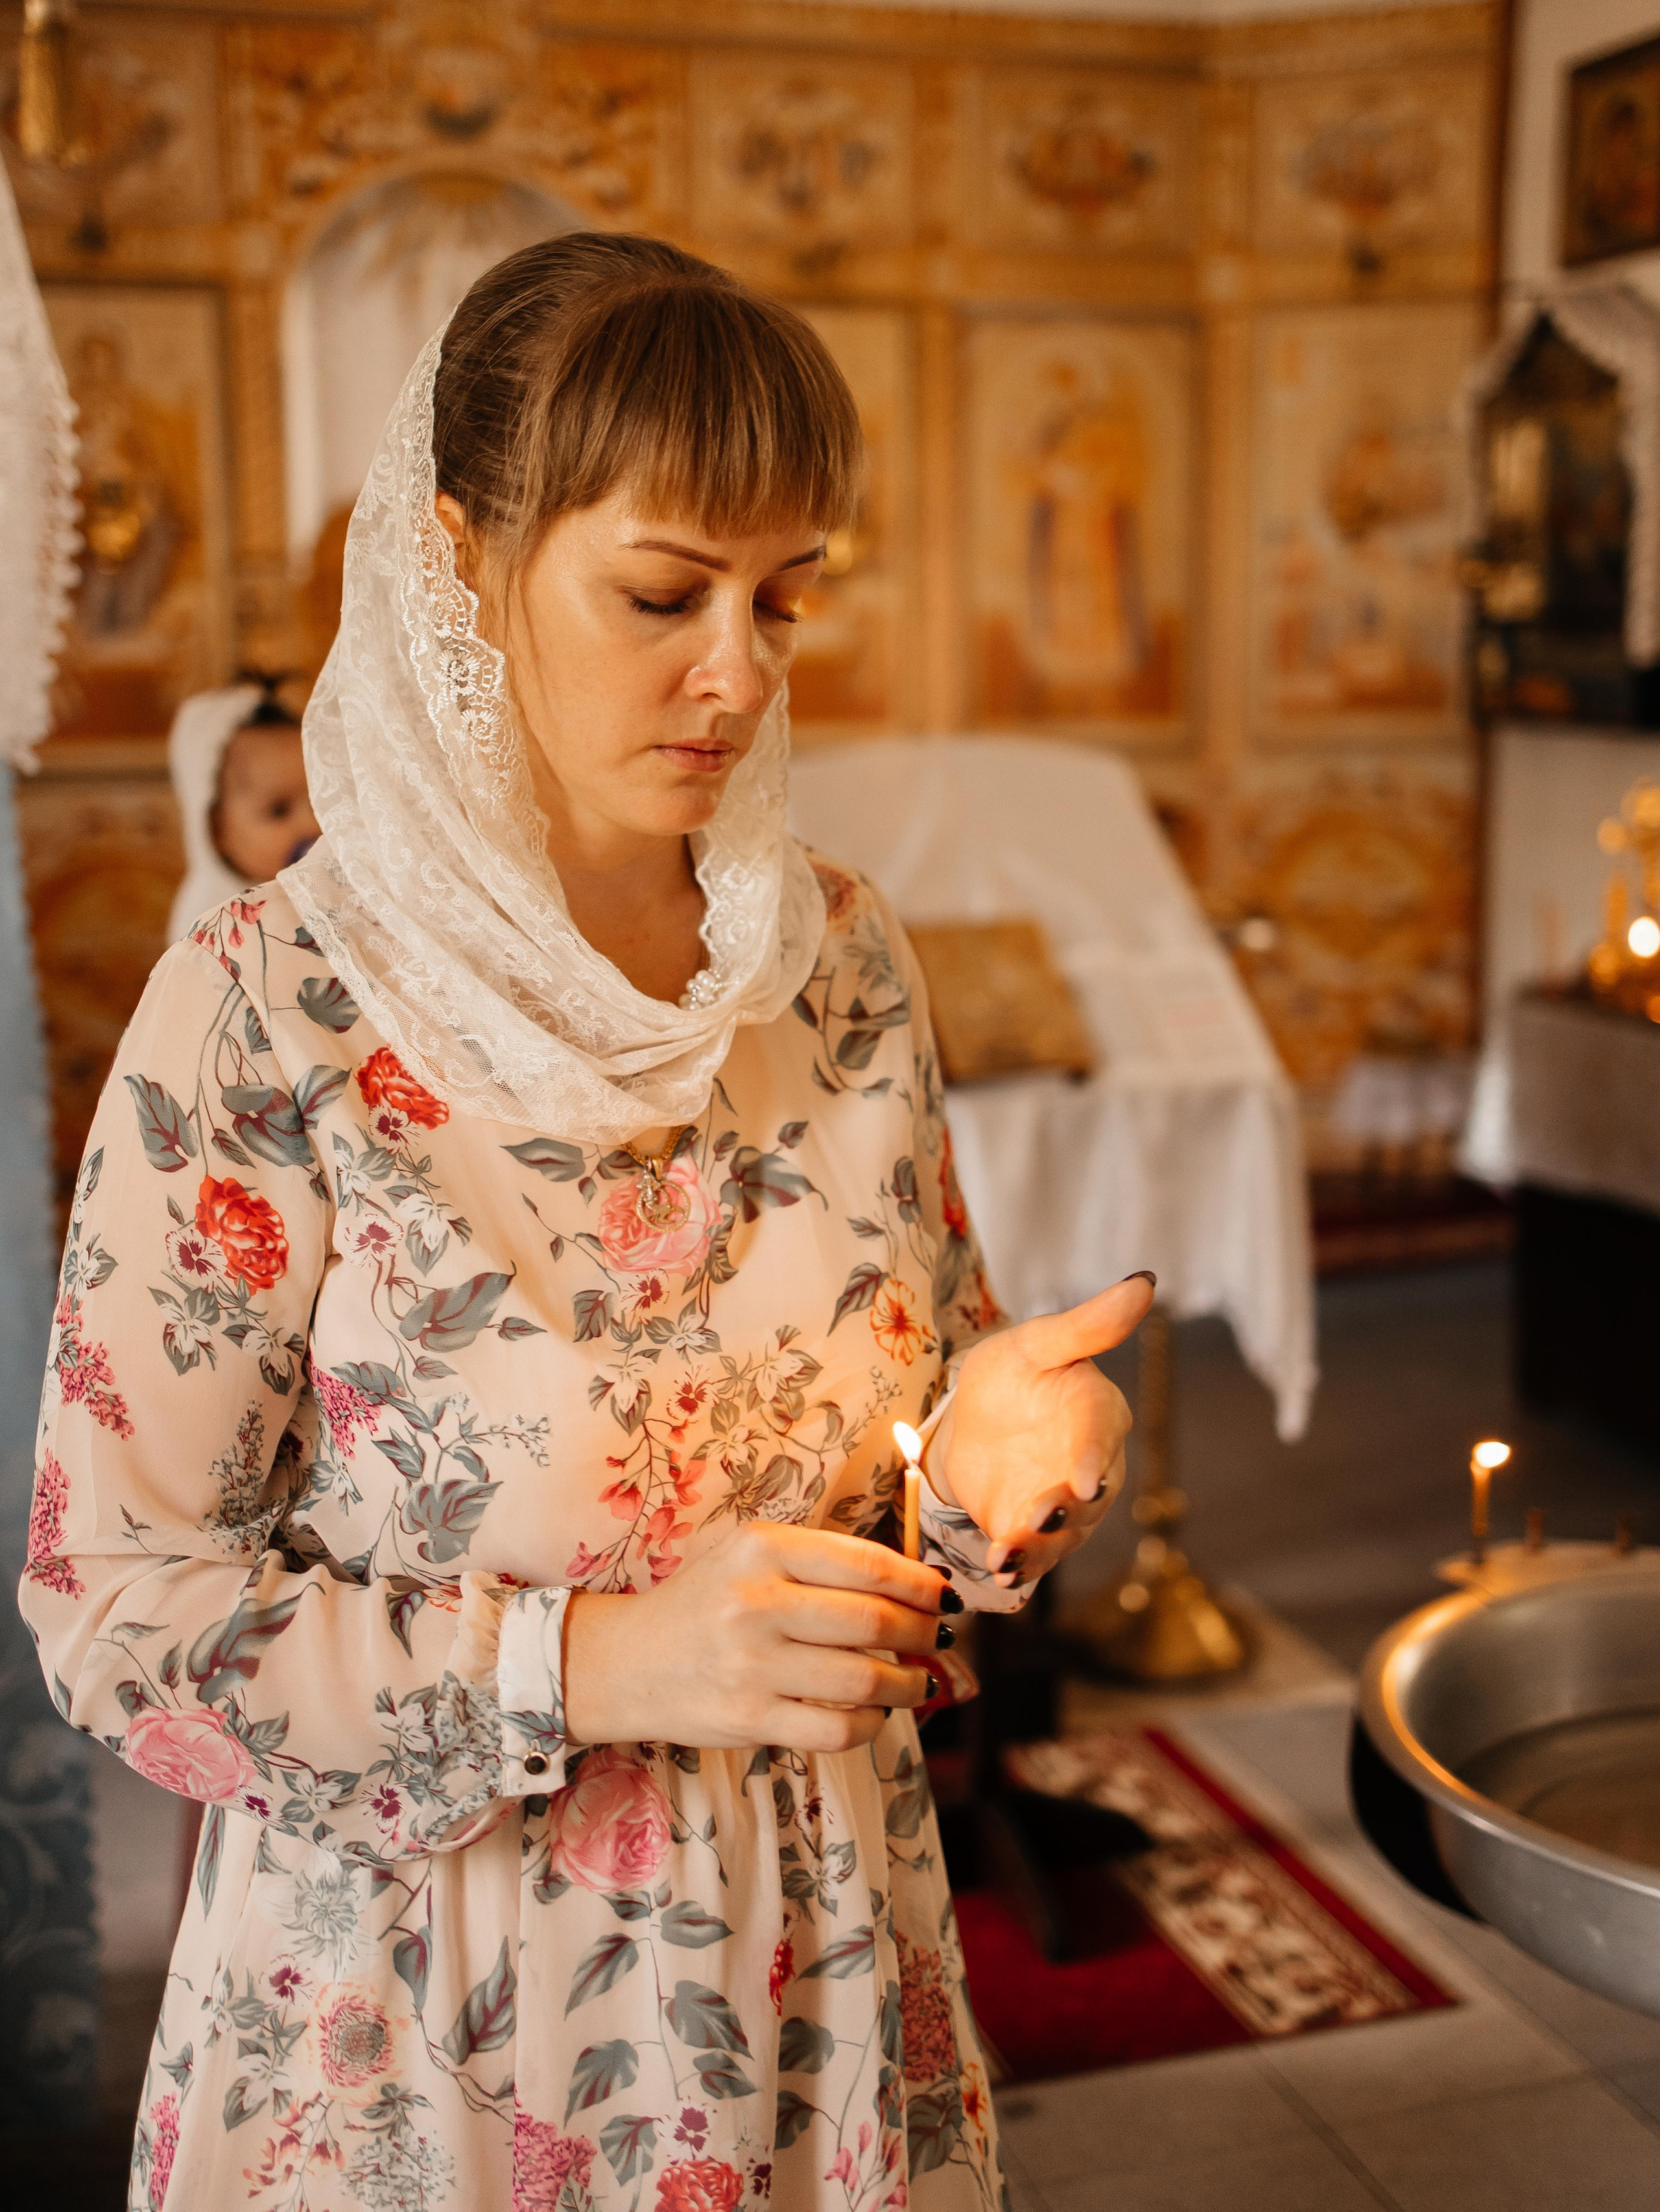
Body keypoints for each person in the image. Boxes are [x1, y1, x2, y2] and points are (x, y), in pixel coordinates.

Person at [21, 234, 1152, 2212]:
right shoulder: (270, 1011)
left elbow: (917, 1438)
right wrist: (597, 1667)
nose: (739, 669)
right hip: (438, 2016)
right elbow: (119, 1621)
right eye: (660, 592)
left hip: (819, 1967)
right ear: (463, 561)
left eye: (787, 594)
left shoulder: (840, 962)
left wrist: (990, 1460)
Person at [166, 677, 320, 942]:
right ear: (216, 830)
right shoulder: (207, 918)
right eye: (279, 811)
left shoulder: (320, 888)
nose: (313, 826)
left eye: (319, 803)